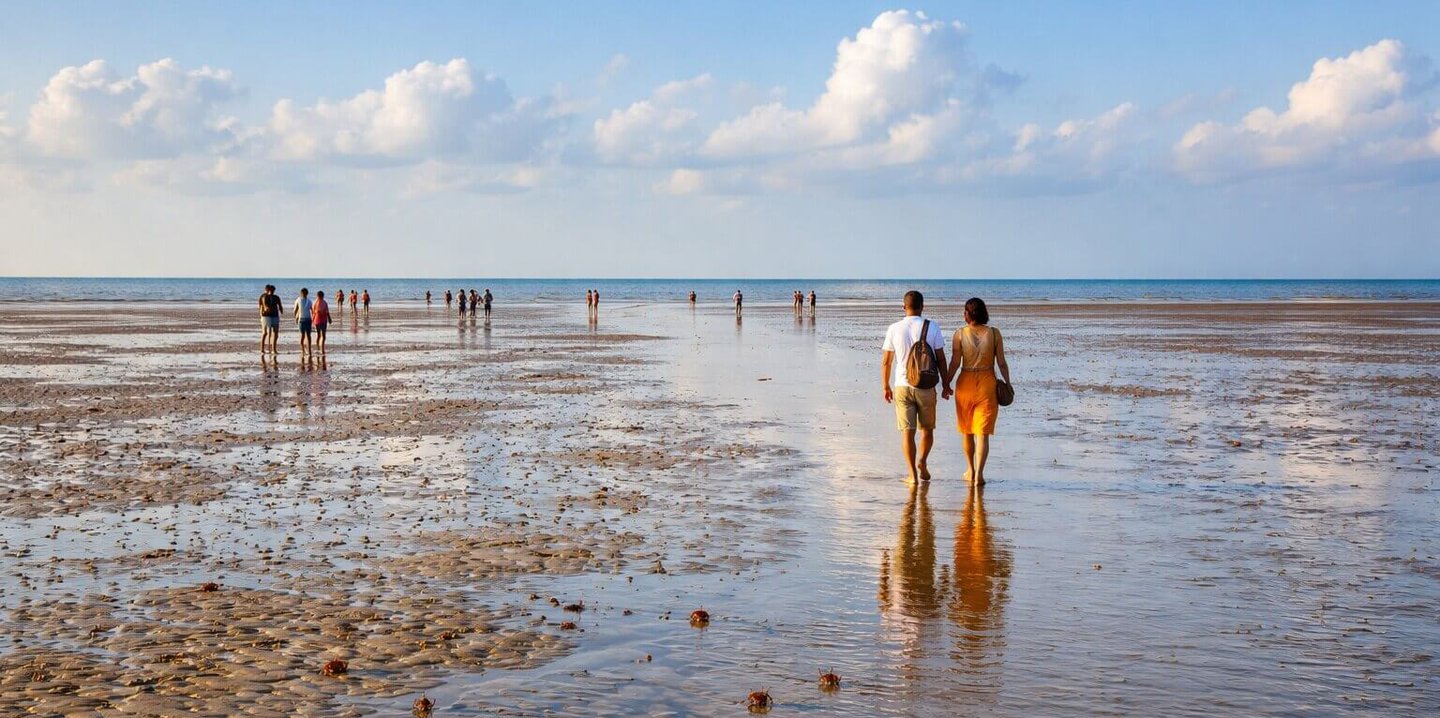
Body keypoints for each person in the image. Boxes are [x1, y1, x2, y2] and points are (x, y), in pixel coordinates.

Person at [880, 291, 949, 483]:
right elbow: (941, 359)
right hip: (926, 386)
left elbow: (886, 361)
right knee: (927, 430)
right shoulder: (932, 327)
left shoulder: (894, 328)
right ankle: (922, 462)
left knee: (907, 432)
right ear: (922, 307)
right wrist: (946, 384)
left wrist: (886, 386)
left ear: (904, 307)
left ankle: (912, 475)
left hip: (902, 386)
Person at [946, 297, 1010, 486]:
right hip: (987, 385)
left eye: (965, 311)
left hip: (965, 384)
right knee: (982, 433)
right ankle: (979, 475)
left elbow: (955, 362)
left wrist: (946, 383)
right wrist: (1008, 383)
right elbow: (1001, 362)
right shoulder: (994, 333)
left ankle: (970, 470)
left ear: (968, 314)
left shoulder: (959, 334)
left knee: (967, 431)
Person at [258, 284, 282, 354]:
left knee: (275, 333)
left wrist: (281, 310)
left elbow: (279, 305)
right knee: (265, 333)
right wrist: (262, 313)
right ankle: (262, 349)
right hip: (266, 316)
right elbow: (261, 306)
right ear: (267, 290)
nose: (271, 292)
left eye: (273, 290)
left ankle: (274, 349)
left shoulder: (276, 297)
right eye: (270, 290)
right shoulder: (263, 296)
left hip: (274, 315)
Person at [293, 287, 313, 355]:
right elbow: (295, 310)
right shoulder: (301, 300)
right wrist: (296, 317)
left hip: (306, 319)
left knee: (306, 335)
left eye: (304, 293)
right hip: (303, 319)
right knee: (305, 335)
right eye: (303, 293)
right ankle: (304, 350)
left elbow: (295, 310)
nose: (303, 294)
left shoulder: (307, 301)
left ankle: (307, 350)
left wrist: (296, 317)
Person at [313, 290, 330, 354]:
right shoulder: (325, 303)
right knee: (323, 335)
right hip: (323, 320)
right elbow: (327, 312)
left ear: (317, 296)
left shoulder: (315, 303)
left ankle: (318, 347)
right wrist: (329, 319)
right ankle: (322, 349)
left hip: (317, 320)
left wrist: (312, 320)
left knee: (319, 335)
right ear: (323, 296)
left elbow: (313, 313)